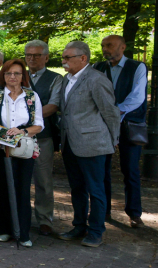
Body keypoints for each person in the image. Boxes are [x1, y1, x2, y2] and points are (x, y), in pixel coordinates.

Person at [50, 41, 121, 247]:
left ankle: (96, 231)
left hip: (94, 144)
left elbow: (111, 112)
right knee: (77, 188)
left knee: (96, 189)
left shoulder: (97, 79)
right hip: (70, 143)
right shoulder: (66, 79)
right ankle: (79, 226)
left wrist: (113, 140)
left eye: (67, 57)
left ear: (83, 58)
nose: (63, 61)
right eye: (63, 57)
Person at [0, 59, 43, 247]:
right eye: (8, 73)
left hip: (23, 149)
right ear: (3, 75)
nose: (12, 77)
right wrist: (3, 135)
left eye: (17, 73)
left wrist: (21, 132)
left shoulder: (32, 96)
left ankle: (23, 232)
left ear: (23, 76)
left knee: (22, 189)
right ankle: (3, 230)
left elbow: (39, 125)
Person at [95, 34, 147, 228]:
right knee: (102, 169)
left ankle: (134, 213)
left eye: (109, 45)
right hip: (103, 125)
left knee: (131, 169)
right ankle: (104, 209)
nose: (105, 48)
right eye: (103, 45)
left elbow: (137, 97)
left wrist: (115, 113)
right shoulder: (98, 67)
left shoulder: (137, 67)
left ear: (122, 47)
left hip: (129, 124)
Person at [24, 41, 61, 235]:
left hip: (43, 137)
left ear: (46, 57)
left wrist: (26, 120)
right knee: (18, 178)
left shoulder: (55, 79)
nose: (32, 58)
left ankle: (45, 219)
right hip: (18, 136)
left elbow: (54, 105)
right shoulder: (18, 75)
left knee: (43, 180)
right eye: (28, 55)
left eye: (37, 55)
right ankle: (20, 217)